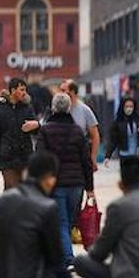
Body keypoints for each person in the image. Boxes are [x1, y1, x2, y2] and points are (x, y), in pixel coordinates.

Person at [36, 93, 93, 264]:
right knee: (68, 222)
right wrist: (90, 188)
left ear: (53, 108)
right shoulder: (77, 131)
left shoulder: (45, 130)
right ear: (69, 108)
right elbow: (86, 161)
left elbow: (40, 157)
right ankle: (64, 254)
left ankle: (67, 258)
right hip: (76, 184)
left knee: (61, 221)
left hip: (55, 183)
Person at [0, 78, 40, 190]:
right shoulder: (0, 110)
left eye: (25, 90)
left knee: (26, 190)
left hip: (25, 157)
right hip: (7, 159)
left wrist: (36, 125)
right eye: (21, 90)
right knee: (13, 189)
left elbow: (36, 130)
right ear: (12, 90)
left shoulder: (27, 108)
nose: (24, 93)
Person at [62, 80, 101, 172]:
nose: (61, 93)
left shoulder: (85, 110)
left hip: (79, 156)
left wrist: (93, 157)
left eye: (63, 90)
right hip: (61, 157)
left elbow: (95, 135)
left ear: (72, 92)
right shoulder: (58, 109)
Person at [104, 97, 139, 165]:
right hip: (124, 155)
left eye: (131, 106)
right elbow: (113, 141)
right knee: (127, 175)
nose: (129, 109)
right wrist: (107, 156)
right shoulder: (118, 123)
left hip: (138, 155)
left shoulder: (138, 121)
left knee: (138, 175)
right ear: (122, 108)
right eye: (127, 106)